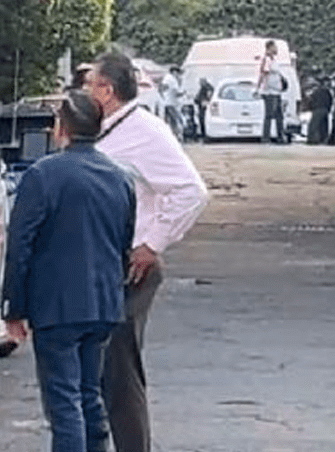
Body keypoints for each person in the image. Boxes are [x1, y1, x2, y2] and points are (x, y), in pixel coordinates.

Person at [84, 51, 210, 452]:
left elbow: (191, 191)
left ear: (107, 90)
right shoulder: (107, 130)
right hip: (101, 260)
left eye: (89, 84)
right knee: (98, 369)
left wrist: (152, 243)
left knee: (119, 368)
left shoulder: (145, 132)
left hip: (129, 265)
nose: (85, 91)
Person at [2, 90, 136, 452]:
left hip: (57, 305)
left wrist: (14, 307)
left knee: (64, 403)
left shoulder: (43, 175)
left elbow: (20, 245)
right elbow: (124, 242)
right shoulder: (120, 178)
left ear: (61, 127)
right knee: (90, 395)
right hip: (103, 303)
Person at [255, 40, 286, 144]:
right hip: (269, 92)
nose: (276, 49)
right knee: (269, 114)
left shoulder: (274, 60)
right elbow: (263, 74)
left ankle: (280, 136)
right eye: (274, 47)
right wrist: (258, 88)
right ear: (269, 48)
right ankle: (266, 137)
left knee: (279, 115)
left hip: (277, 91)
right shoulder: (267, 60)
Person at [305, 76, 333, 145]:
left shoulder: (317, 91)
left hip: (318, 109)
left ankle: (312, 139)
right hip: (324, 109)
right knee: (323, 125)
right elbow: (330, 101)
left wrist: (312, 107)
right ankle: (323, 139)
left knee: (314, 124)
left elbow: (311, 100)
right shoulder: (327, 91)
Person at [159, 66, 183, 140]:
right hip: (172, 104)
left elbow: (160, 90)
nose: (178, 74)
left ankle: (172, 135)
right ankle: (178, 135)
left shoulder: (166, 78)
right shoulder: (172, 80)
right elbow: (177, 93)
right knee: (178, 120)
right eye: (178, 72)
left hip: (166, 103)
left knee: (170, 121)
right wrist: (184, 93)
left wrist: (164, 98)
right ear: (174, 72)